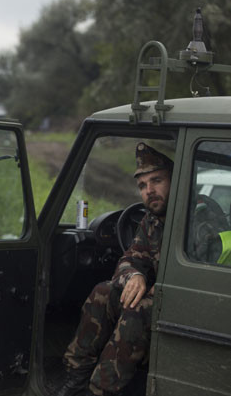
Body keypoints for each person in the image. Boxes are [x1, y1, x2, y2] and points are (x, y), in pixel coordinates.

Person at [57, 142, 173, 396]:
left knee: (136, 308)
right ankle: (76, 376)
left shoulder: (197, 217)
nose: (149, 191)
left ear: (174, 180)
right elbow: (130, 258)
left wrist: (153, 290)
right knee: (103, 292)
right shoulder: (151, 221)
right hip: (161, 298)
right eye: (142, 186)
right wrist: (135, 275)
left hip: (186, 303)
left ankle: (101, 390)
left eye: (157, 180)